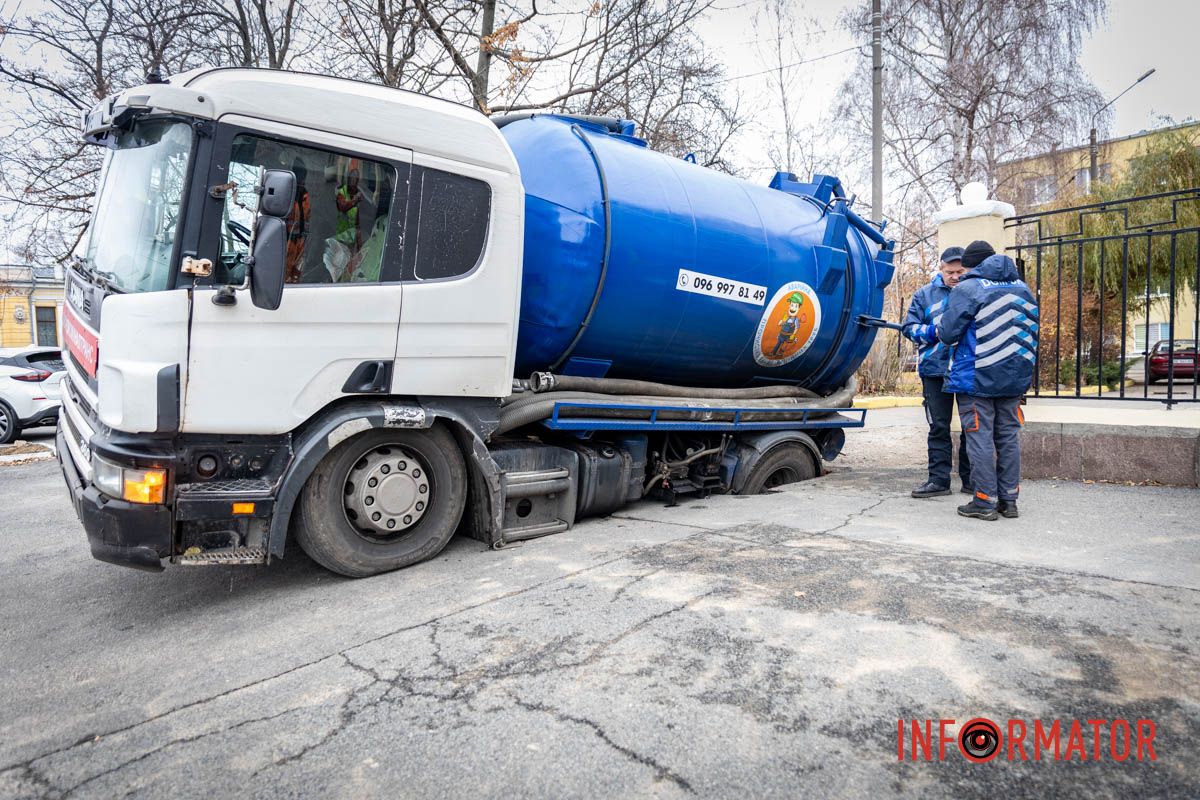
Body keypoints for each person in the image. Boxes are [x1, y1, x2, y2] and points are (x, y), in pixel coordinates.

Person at [936, 240, 1040, 521]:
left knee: (979, 437)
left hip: (977, 378)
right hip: (1014, 377)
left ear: (971, 265)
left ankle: (984, 501)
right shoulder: (1022, 288)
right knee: (1007, 437)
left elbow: (947, 333)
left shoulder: (968, 288)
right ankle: (1009, 500)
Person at [902, 247, 972, 498]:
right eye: (950, 271)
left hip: (966, 369)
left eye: (960, 272)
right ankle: (939, 481)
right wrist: (934, 332)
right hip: (934, 369)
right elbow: (909, 328)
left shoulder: (975, 293)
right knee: (938, 426)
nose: (955, 276)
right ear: (941, 269)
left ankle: (971, 480)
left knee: (971, 427)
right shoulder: (924, 295)